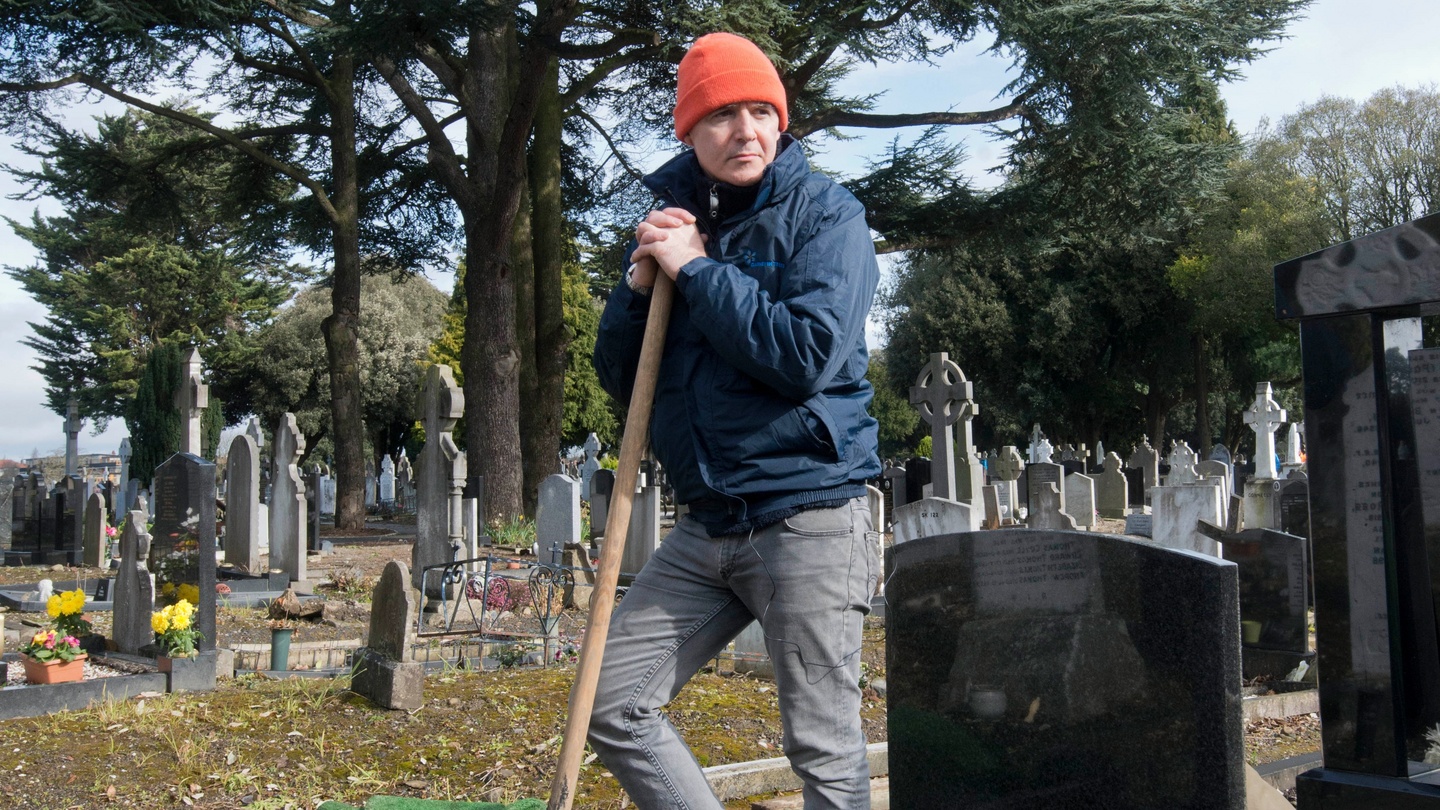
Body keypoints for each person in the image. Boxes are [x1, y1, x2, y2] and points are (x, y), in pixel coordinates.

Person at [589, 31, 883, 810]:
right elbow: (624, 382)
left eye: (760, 110)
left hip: (809, 513)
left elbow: (805, 354)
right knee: (611, 702)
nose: (744, 130)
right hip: (708, 523)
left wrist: (697, 271)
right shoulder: (672, 222)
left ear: (781, 122)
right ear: (688, 130)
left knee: (822, 749)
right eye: (720, 115)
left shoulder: (828, 217)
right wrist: (638, 285)